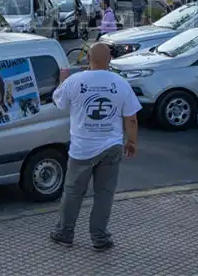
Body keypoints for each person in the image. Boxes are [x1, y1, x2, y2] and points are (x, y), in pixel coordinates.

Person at [50, 43, 140, 251]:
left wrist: (62, 83)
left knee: (73, 191)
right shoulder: (120, 84)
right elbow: (131, 119)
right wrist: (132, 141)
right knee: (104, 194)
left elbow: (59, 103)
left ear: (88, 57)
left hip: (82, 148)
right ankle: (99, 238)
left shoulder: (75, 81)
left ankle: (65, 233)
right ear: (109, 60)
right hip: (111, 146)